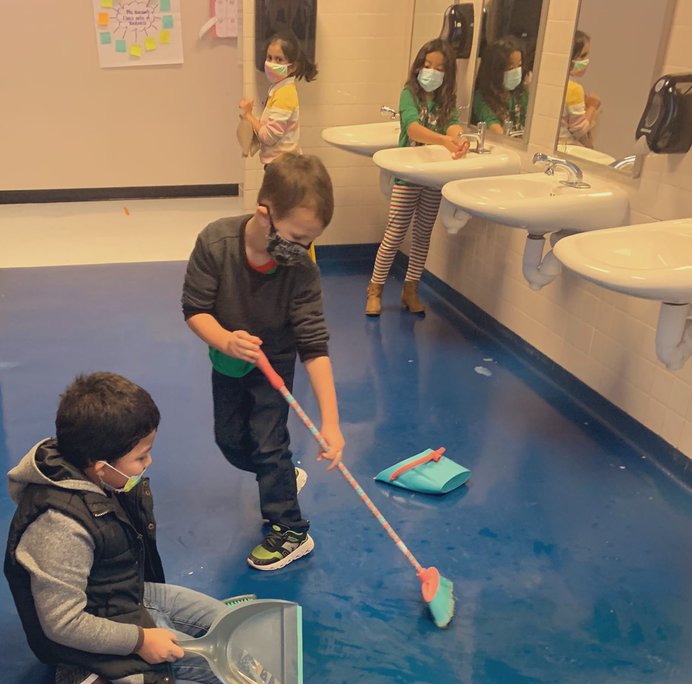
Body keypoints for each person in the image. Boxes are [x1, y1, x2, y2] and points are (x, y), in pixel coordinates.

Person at [3, 372, 234, 684]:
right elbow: (62, 624)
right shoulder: (60, 528)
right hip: (82, 633)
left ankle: (103, 673)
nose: (149, 463)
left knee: (226, 626)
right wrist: (141, 640)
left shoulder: (97, 475)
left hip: (122, 596)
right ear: (100, 466)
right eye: (141, 456)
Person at [182, 153, 344, 572]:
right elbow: (195, 308)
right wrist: (226, 341)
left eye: (310, 240)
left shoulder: (301, 270)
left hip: (274, 366)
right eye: (295, 236)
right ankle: (282, 478)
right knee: (231, 442)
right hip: (228, 360)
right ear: (264, 213)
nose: (301, 249)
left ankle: (290, 530)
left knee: (269, 444)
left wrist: (331, 422)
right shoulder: (215, 243)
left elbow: (314, 344)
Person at [365, 39, 466, 318]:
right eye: (427, 65)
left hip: (433, 177)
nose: (432, 71)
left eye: (439, 68)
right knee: (395, 232)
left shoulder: (447, 100)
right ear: (419, 66)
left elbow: (453, 123)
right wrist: (445, 140)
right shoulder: (409, 93)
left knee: (422, 235)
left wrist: (459, 138)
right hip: (408, 176)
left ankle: (411, 290)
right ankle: (375, 289)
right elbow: (412, 129)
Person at [239, 29, 317, 166]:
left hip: (283, 168)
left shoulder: (284, 95)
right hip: (283, 165)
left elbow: (269, 137)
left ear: (292, 67)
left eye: (279, 59)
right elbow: (271, 129)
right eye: (269, 58)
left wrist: (250, 115)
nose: (271, 63)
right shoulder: (280, 90)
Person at [472, 37, 529, 135]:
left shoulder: (521, 94)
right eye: (510, 67)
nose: (516, 71)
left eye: (519, 66)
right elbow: (496, 130)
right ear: (495, 70)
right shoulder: (481, 98)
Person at [560, 30, 599, 148]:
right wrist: (592, 106)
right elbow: (579, 131)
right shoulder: (574, 89)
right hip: (566, 146)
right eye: (582, 56)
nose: (586, 60)